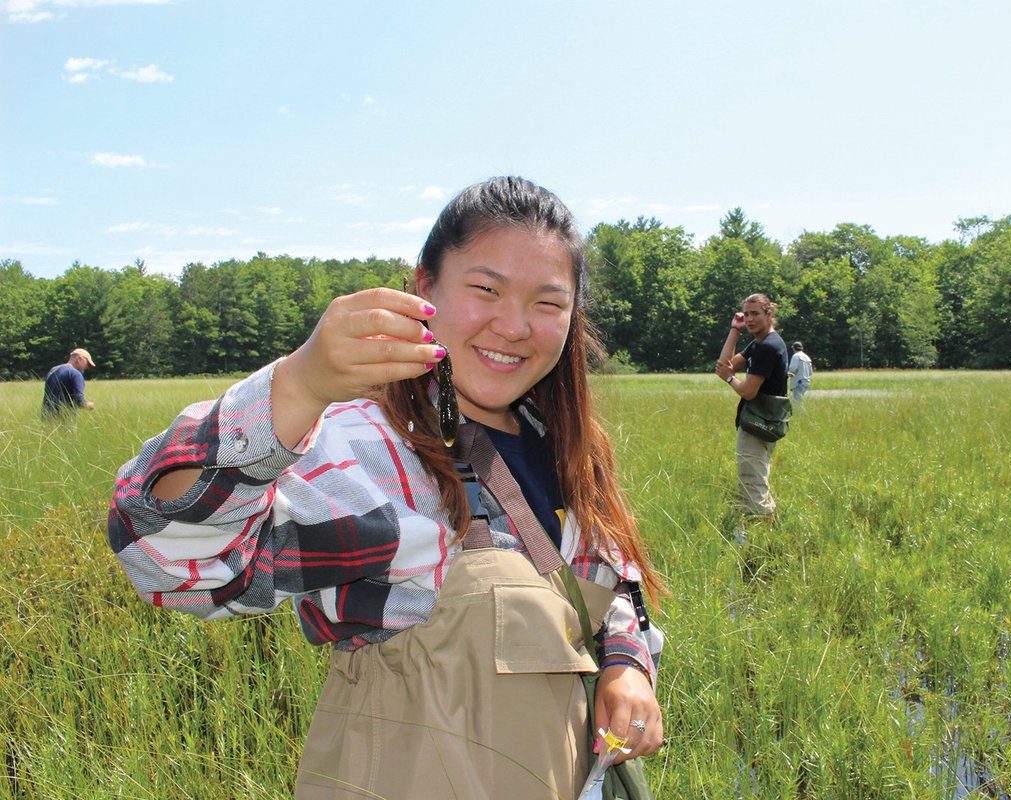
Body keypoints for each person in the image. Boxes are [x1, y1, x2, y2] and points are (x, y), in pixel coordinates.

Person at [108, 177, 665, 799]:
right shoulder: (365, 442)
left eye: (547, 303)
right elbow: (171, 557)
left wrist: (625, 666)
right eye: (486, 290)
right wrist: (298, 385)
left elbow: (610, 581)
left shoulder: (567, 444)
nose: (514, 326)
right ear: (425, 288)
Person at [715, 293, 789, 520]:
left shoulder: (768, 346)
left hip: (757, 424)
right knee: (758, 480)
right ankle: (768, 531)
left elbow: (748, 391)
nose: (749, 319)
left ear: (769, 314)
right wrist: (734, 330)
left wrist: (730, 379)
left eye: (755, 313)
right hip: (762, 423)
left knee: (752, 485)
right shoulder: (759, 344)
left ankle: (758, 539)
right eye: (746, 314)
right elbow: (725, 364)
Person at [42, 347, 96, 417]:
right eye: (87, 363)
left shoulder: (53, 370)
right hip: (64, 421)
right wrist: (90, 405)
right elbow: (79, 402)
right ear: (79, 359)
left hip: (46, 418)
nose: (87, 367)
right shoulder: (76, 375)